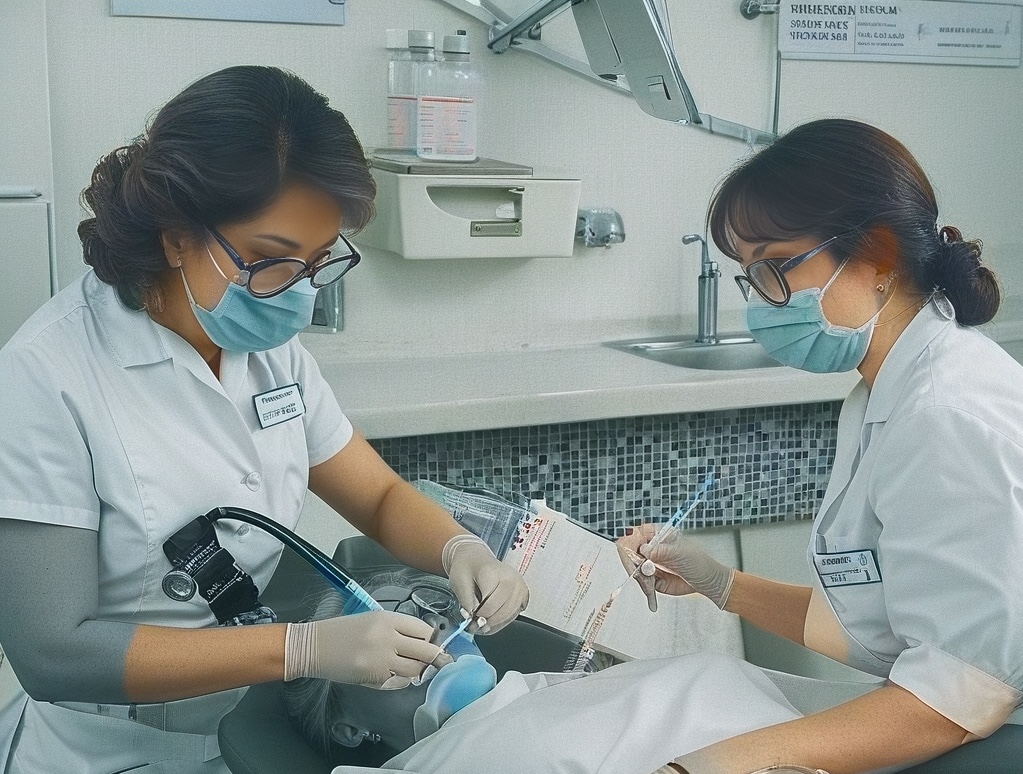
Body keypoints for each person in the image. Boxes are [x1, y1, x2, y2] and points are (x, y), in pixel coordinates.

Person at [317, 118, 1022, 774]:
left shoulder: (946, 415)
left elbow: (955, 699)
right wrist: (719, 586)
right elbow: (878, 626)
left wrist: (703, 766)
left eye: (775, 268)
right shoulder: (885, 389)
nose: (762, 302)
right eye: (751, 275)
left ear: (875, 255)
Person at [0, 65, 527, 774]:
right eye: (269, 262)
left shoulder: (264, 347)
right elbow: (53, 652)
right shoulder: (45, 377)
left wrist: (462, 550)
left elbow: (375, 495)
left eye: (317, 262)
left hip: (246, 730)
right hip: (109, 750)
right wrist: (299, 650)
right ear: (175, 234)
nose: (297, 296)